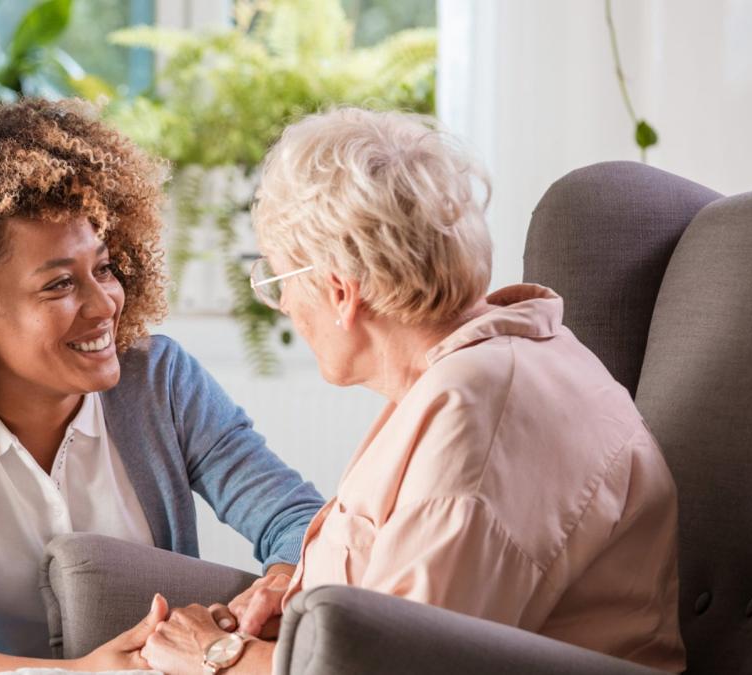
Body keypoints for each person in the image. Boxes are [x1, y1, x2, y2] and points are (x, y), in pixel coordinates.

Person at [140, 108, 685, 674]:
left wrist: (217, 656)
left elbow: (401, 664)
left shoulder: (478, 415)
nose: (283, 306)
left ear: (339, 291)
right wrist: (301, 606)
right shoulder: (475, 372)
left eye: (277, 282)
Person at [0, 97, 323, 675]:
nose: (104, 303)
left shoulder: (160, 383)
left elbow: (300, 522)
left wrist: (271, 593)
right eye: (59, 284)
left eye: (104, 267)